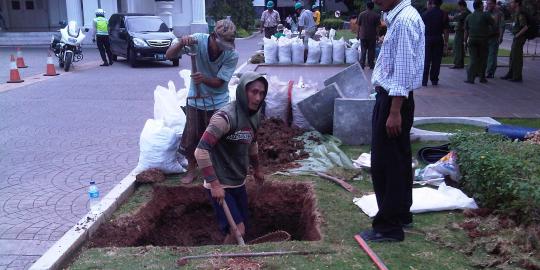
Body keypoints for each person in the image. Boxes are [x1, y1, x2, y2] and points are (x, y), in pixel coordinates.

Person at [359, 0, 425, 242]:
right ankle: (401, 214)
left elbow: (403, 70)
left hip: (394, 100)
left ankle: (388, 227)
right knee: (397, 159)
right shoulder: (399, 17)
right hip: (392, 98)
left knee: (385, 164)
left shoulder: (405, 20)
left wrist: (394, 110)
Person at [194, 72, 266, 244]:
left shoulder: (255, 114)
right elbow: (201, 151)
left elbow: (252, 143)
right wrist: (215, 185)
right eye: (254, 92)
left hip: (238, 182)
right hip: (220, 184)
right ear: (243, 91)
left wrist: (257, 169)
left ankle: (228, 256)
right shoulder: (224, 118)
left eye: (262, 93)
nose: (258, 98)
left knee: (241, 229)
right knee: (238, 230)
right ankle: (224, 261)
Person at [165, 20, 239, 184]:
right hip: (196, 100)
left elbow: (220, 82)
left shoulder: (232, 54)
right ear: (213, 36)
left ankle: (218, 170)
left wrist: (203, 79)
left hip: (219, 101)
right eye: (222, 43)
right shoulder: (197, 41)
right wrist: (181, 43)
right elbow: (169, 55)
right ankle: (192, 170)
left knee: (218, 139)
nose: (224, 47)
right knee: (191, 137)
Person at [464, 0, 494, 84]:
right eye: (483, 5)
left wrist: (465, 41)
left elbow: (466, 30)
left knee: (473, 59)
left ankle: (470, 78)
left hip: (472, 40)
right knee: (483, 59)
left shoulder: (469, 16)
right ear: (480, 6)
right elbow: (493, 25)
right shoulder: (486, 15)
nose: (484, 6)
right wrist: (488, 32)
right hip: (483, 40)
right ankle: (482, 77)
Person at [421, 0, 449, 86]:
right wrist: (446, 42)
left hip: (427, 38)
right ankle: (434, 80)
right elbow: (446, 30)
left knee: (426, 60)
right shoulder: (443, 14)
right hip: (438, 38)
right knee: (436, 60)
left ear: (432, 3)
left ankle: (424, 80)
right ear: (441, 4)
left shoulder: (425, 14)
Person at [501, 0, 529, 82]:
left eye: (512, 2)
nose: (510, 4)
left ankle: (517, 76)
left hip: (519, 38)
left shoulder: (520, 13)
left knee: (516, 57)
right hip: (516, 38)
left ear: (517, 3)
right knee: (512, 56)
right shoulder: (516, 13)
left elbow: (525, 27)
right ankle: (511, 73)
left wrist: (517, 35)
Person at [357, 1, 381, 69]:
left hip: (363, 35)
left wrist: (358, 35)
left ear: (366, 6)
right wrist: (377, 35)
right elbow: (377, 27)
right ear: (373, 7)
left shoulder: (361, 14)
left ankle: (362, 65)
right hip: (372, 36)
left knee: (363, 51)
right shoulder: (376, 15)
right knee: (371, 51)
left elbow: (359, 25)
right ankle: (371, 65)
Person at [486, 0, 504, 78]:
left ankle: (490, 72)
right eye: (487, 3)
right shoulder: (486, 13)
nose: (488, 5)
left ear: (494, 4)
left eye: (490, 3)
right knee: (485, 55)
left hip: (494, 37)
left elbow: (501, 26)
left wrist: (501, 37)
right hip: (485, 37)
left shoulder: (499, 13)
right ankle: (483, 70)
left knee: (492, 55)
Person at [449, 0, 471, 69]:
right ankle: (460, 64)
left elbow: (457, 17)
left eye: (458, 6)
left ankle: (457, 64)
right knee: (460, 48)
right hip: (461, 32)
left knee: (457, 48)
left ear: (462, 6)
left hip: (460, 32)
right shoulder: (465, 12)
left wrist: (451, 17)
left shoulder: (465, 13)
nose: (458, 8)